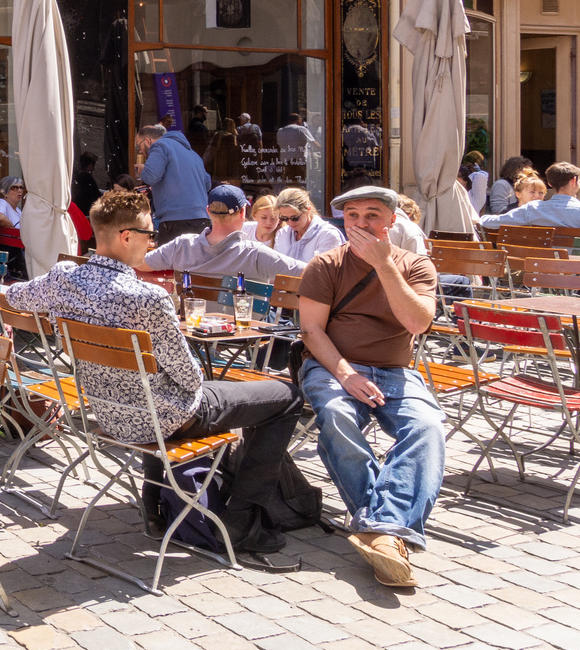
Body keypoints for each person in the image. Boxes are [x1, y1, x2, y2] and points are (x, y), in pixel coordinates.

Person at [6, 190, 309, 555]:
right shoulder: (146, 298)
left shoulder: (64, 278)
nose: (154, 242)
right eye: (150, 234)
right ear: (127, 237)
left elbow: (15, 296)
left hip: (107, 414)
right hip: (166, 417)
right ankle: (242, 519)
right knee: (288, 398)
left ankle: (156, 501)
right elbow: (191, 379)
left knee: (160, 388)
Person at [297, 185, 444, 588]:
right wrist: (347, 374)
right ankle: (389, 533)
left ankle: (379, 529)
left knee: (428, 426)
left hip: (395, 371)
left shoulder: (415, 265)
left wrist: (384, 266)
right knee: (338, 417)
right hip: (333, 368)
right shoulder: (326, 264)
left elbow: (417, 323)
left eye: (372, 215)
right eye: (353, 216)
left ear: (392, 221)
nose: (361, 223)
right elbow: (310, 330)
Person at [142, 184, 305, 283]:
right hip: (246, 337)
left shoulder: (181, 246)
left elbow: (139, 263)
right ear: (243, 213)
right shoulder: (255, 254)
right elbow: (306, 271)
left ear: (208, 211)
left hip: (194, 335)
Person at [477, 162, 580, 240]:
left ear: (549, 183)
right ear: (574, 181)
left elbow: (493, 222)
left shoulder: (532, 209)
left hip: (546, 275)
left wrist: (475, 217)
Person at [136, 123, 212, 240]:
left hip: (176, 221)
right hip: (202, 219)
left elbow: (151, 176)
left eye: (139, 146)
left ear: (148, 141)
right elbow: (207, 184)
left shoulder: (159, 146)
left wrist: (143, 170)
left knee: (169, 258)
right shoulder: (193, 154)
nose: (140, 151)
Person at [273, 187, 344, 262]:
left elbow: (323, 271)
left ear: (308, 210)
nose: (290, 223)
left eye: (295, 218)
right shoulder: (282, 233)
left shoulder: (327, 235)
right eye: (284, 218)